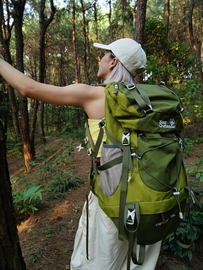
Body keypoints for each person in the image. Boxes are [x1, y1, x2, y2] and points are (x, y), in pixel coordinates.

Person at [0, 38, 161, 269]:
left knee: (98, 259)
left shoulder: (95, 95)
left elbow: (28, 88)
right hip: (150, 194)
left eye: (104, 55)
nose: (101, 59)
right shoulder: (150, 99)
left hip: (111, 196)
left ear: (114, 62)